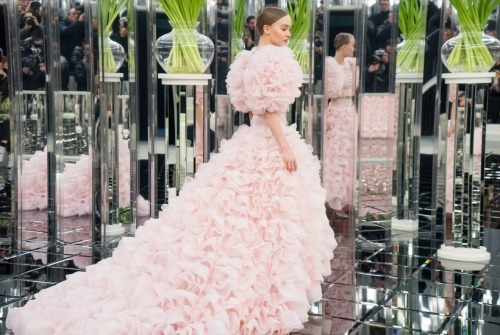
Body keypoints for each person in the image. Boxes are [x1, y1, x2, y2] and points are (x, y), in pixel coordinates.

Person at [6, 7, 337, 335]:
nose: (287, 33)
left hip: (251, 140)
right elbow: (269, 109)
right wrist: (286, 148)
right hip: (268, 143)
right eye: (282, 27)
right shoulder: (273, 59)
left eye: (288, 27)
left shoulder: (249, 59)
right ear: (266, 29)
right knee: (266, 220)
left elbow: (251, 108)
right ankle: (264, 287)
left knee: (237, 214)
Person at [323, 33, 357, 218]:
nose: (353, 49)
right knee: (336, 154)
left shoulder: (350, 65)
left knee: (348, 154)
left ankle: (344, 200)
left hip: (349, 110)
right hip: (336, 111)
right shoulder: (331, 66)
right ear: (343, 46)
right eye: (351, 45)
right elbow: (331, 92)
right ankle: (334, 200)